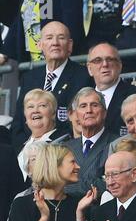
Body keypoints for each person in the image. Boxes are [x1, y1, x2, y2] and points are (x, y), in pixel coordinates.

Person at [10, 21, 93, 151]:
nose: (55, 43)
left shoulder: (84, 77)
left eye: (61, 38)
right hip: (27, 152)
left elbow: (80, 123)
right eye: (49, 38)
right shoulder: (29, 77)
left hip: (62, 152)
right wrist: (26, 150)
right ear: (40, 45)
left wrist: (45, 148)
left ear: (70, 45)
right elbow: (18, 123)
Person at [0, 0, 83, 63]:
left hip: (57, 59)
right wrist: (4, 54)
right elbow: (20, 22)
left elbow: (72, 20)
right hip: (32, 62)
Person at [65, 87, 117, 198]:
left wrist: (64, 187)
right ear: (77, 115)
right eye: (83, 106)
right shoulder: (65, 148)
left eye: (94, 105)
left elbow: (107, 184)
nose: (89, 110)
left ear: (104, 113)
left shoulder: (118, 144)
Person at [87, 42, 136, 137]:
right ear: (89, 69)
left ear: (120, 66)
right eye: (98, 60)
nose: (105, 64)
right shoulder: (82, 99)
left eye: (110, 59)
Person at [17, 89, 65, 182]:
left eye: (42, 106)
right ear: (25, 115)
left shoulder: (62, 143)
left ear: (53, 113)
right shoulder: (21, 146)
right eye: (30, 106)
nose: (35, 110)